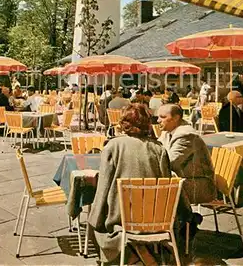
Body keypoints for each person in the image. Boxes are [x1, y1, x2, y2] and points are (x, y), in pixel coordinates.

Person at [89, 104, 172, 265]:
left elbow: (103, 186)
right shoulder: (158, 149)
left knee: (96, 224)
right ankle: (141, 250)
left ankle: (131, 253)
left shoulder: (112, 146)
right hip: (154, 218)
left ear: (123, 123)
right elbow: (166, 183)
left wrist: (96, 215)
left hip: (122, 217)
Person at [157, 104, 215, 234]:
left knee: (159, 189)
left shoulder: (186, 135)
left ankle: (184, 221)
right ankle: (182, 221)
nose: (158, 120)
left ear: (176, 118)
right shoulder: (168, 131)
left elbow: (169, 162)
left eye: (162, 117)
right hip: (186, 179)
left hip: (200, 184)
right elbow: (158, 151)